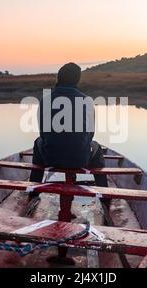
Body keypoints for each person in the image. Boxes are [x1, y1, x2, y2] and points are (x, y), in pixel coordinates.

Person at [28, 62, 108, 208]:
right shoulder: (87, 101)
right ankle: (105, 197)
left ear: (58, 78)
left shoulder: (45, 100)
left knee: (38, 142)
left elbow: (43, 133)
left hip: (50, 159)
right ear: (77, 80)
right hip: (80, 159)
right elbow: (90, 134)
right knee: (96, 146)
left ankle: (33, 192)